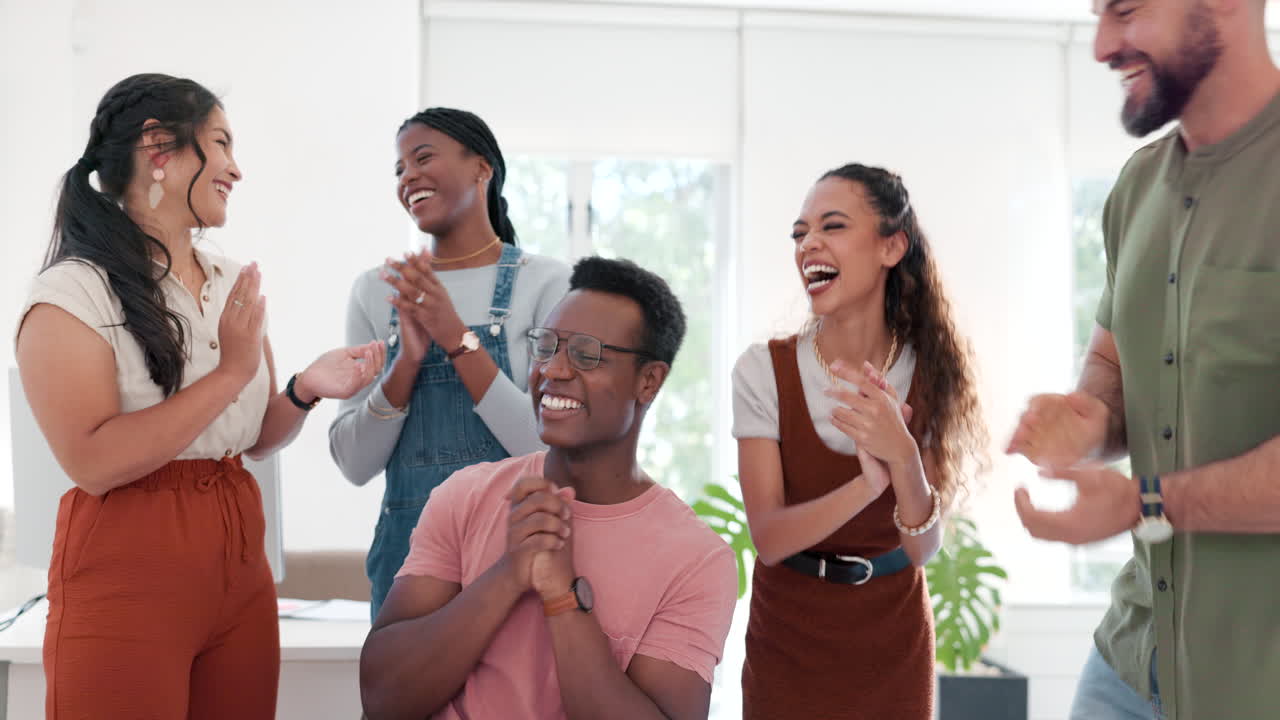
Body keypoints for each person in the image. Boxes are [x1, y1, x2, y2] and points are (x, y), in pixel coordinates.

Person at [15, 73, 384, 720]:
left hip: (238, 558)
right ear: (160, 149)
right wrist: (231, 372)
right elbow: (93, 462)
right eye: (220, 143)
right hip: (127, 559)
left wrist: (303, 390)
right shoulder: (72, 295)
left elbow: (250, 437)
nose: (236, 169)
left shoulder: (228, 280)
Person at [1009, 2, 1280, 718]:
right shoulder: (1135, 189)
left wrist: (1145, 501)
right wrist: (1087, 421)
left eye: (1125, 10)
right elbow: (1114, 364)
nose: (1102, 44)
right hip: (1128, 667)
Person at [359, 256, 738, 720]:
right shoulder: (466, 496)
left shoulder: (696, 559)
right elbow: (382, 697)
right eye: (547, 347)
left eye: (585, 354)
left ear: (648, 381)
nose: (552, 371)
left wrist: (561, 598)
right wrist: (508, 574)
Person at [732, 163, 987, 719]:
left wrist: (902, 456)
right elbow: (770, 538)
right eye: (801, 233)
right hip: (787, 637)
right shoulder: (762, 371)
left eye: (833, 226)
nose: (809, 245)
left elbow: (922, 548)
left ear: (891, 247)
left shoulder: (934, 370)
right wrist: (869, 484)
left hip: (892, 641)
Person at [328, 107, 570, 618]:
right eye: (399, 169)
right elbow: (354, 463)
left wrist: (456, 338)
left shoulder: (548, 284)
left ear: (482, 168)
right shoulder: (377, 292)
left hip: (519, 556)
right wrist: (407, 362)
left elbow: (546, 446)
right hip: (407, 562)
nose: (408, 177)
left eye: (422, 158)